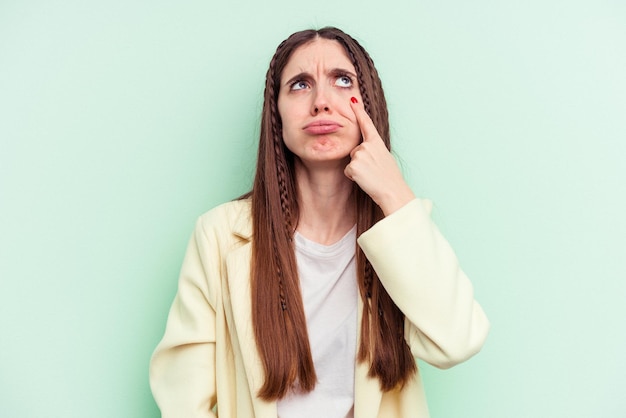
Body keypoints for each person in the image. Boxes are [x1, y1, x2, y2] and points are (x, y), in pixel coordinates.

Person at [149, 26, 490, 418]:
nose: (321, 102)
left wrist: (395, 193)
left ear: (369, 102)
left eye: (342, 80)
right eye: (299, 85)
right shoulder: (220, 235)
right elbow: (182, 401)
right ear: (275, 113)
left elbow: (457, 340)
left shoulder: (401, 232)